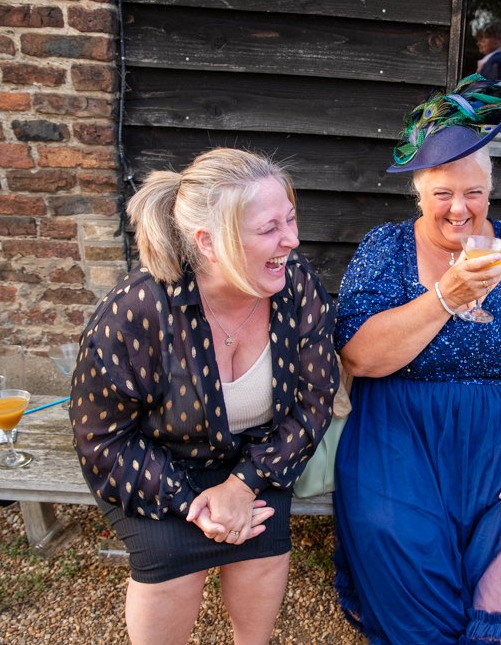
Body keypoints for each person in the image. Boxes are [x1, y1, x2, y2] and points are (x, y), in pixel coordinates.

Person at [333, 74, 501, 644]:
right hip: (403, 433)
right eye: (443, 193)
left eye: (472, 192)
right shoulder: (386, 247)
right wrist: (444, 298)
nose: (459, 209)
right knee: (398, 543)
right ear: (419, 194)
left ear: (490, 192)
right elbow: (358, 357)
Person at [69, 148, 339, 645]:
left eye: (291, 219)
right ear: (208, 242)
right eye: (269, 229)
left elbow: (314, 400)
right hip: (156, 467)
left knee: (263, 541)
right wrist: (195, 504)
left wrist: (243, 485)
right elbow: (102, 439)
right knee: (170, 559)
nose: (292, 240)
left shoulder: (296, 285)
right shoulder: (138, 310)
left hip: (257, 457)